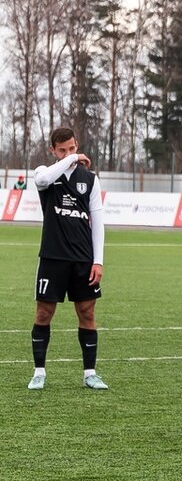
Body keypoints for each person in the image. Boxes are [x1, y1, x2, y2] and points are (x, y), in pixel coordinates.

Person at [28, 127, 107, 391]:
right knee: (44, 312)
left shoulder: (91, 179)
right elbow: (42, 181)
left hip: (83, 259)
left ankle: (90, 373)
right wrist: (70, 160)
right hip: (52, 256)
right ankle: (39, 372)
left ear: (77, 144)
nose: (68, 153)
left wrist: (98, 261)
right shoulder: (45, 174)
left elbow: (98, 222)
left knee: (87, 313)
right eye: (62, 150)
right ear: (53, 151)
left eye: (72, 148)